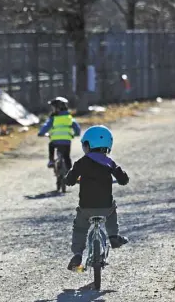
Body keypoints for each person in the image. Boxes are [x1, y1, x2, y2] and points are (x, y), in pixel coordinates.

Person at [64, 125, 129, 271]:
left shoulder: (81, 162)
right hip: (105, 208)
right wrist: (120, 177)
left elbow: (69, 180)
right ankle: (113, 236)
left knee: (80, 228)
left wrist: (71, 179)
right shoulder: (109, 162)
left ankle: (78, 254)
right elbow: (123, 179)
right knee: (112, 210)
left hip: (86, 208)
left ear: (87, 145)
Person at [37, 97, 81, 169]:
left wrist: (41, 133)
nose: (52, 109)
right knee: (67, 157)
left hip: (55, 141)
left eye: (53, 107)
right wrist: (76, 134)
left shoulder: (53, 118)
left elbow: (46, 126)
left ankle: (51, 160)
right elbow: (77, 128)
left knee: (51, 145)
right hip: (66, 142)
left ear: (57, 108)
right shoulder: (69, 118)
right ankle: (70, 174)